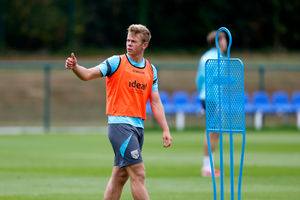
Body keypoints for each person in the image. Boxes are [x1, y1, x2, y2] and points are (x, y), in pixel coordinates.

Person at [65, 24, 172, 200]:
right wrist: (76, 67)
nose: (129, 44)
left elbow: (155, 101)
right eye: (128, 40)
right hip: (120, 126)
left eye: (134, 41)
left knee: (120, 176)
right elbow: (87, 74)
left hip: (138, 128)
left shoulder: (151, 70)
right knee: (139, 173)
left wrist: (166, 129)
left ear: (144, 45)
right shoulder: (116, 62)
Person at [195, 30, 228, 177]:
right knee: (213, 132)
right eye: (224, 39)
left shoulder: (205, 57)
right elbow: (218, 81)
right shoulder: (219, 58)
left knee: (213, 132)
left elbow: (199, 80)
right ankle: (208, 167)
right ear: (219, 41)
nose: (226, 42)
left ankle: (208, 166)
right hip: (214, 98)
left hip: (206, 97)